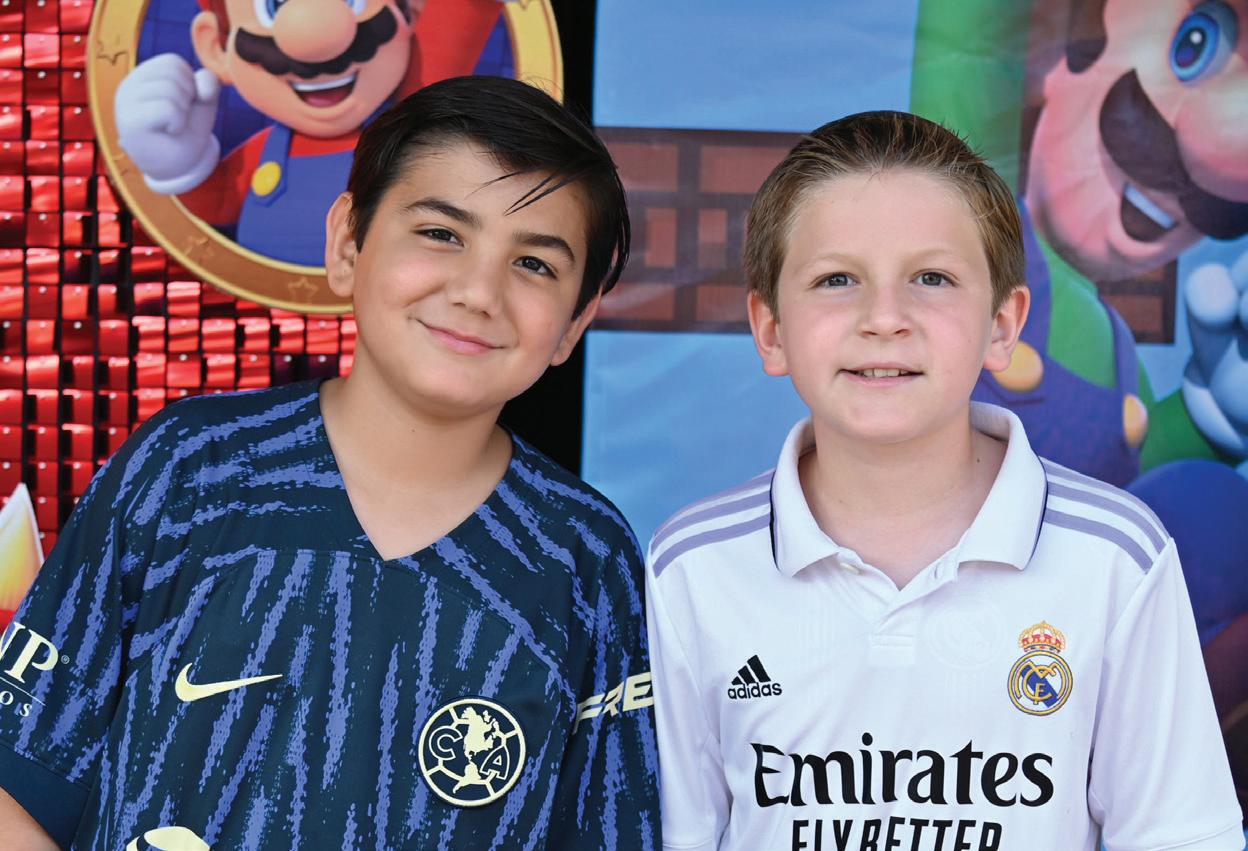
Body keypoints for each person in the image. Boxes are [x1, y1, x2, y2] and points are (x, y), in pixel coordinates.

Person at [0, 75, 660, 850]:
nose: (478, 291)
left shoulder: (584, 558)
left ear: (575, 322)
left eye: (535, 264)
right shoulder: (189, 469)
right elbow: (20, 782)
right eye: (441, 233)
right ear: (348, 244)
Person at [644, 110, 1242, 851]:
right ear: (771, 331)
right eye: (836, 279)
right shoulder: (693, 567)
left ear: (1003, 326)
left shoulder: (1116, 557)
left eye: (932, 278)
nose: (884, 318)